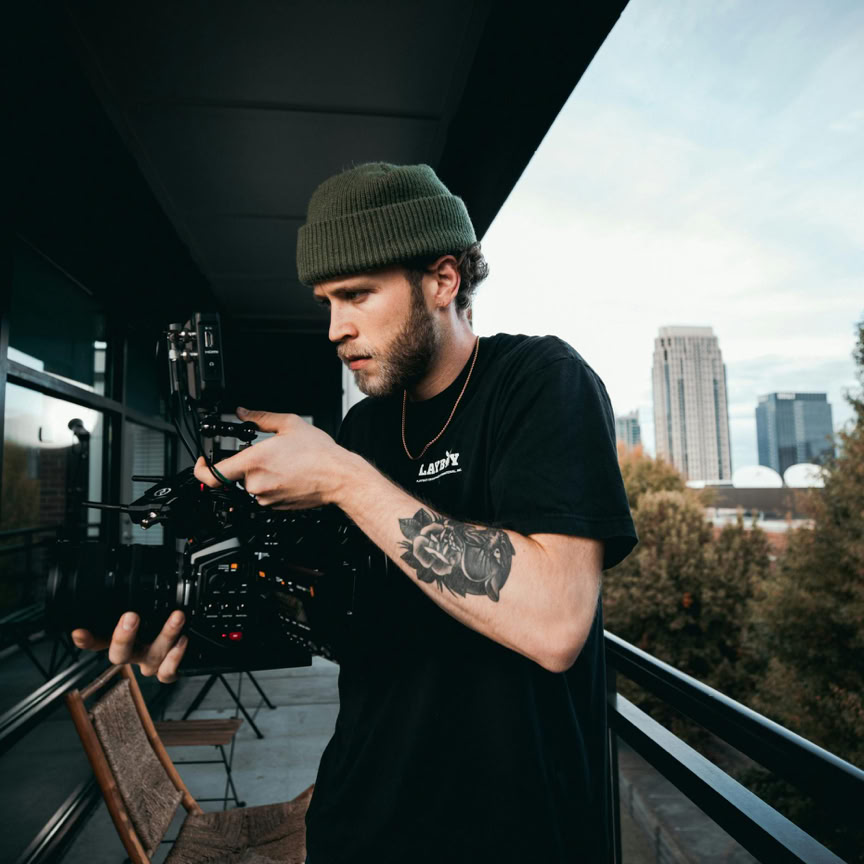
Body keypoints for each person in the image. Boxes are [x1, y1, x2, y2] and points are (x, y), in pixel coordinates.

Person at [73, 162, 637, 863]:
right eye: (325, 303)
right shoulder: (366, 427)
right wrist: (199, 623)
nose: (336, 329)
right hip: (355, 822)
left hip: (509, 835)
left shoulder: (540, 383)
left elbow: (555, 620)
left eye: (357, 295)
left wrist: (342, 477)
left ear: (442, 280)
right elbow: (340, 617)